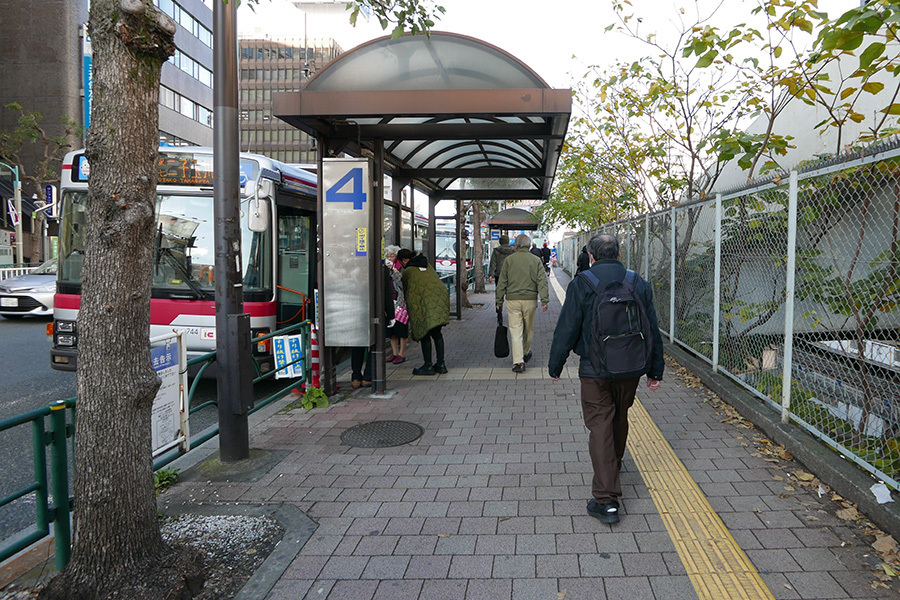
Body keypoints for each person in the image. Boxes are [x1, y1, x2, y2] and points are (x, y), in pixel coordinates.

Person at [548, 233, 664, 524]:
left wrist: (556, 365)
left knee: (599, 423)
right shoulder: (637, 282)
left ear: (591, 256)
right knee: (619, 415)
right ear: (618, 253)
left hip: (594, 369)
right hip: (631, 367)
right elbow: (652, 328)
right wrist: (655, 370)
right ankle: (615, 462)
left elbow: (567, 328)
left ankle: (606, 500)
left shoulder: (582, 283)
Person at [496, 234, 549, 373]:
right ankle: (525, 352)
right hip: (530, 300)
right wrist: (544, 300)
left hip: (512, 300)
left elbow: (502, 282)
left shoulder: (509, 260)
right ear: (530, 246)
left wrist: (499, 300)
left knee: (515, 330)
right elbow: (542, 281)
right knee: (528, 328)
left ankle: (518, 362)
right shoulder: (536, 260)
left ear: (516, 245)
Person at [398, 248, 450, 375]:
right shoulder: (427, 265)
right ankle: (441, 364)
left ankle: (428, 366)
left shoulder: (409, 271)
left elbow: (407, 292)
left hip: (425, 304)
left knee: (424, 333)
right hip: (439, 301)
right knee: (437, 333)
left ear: (404, 260)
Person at [385, 245, 408, 363]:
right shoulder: (385, 268)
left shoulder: (401, 268)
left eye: (392, 255)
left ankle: (401, 353)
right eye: (388, 255)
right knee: (391, 330)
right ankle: (394, 353)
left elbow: (402, 285)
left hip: (400, 302)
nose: (389, 258)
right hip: (390, 302)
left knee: (401, 329)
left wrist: (395, 272)